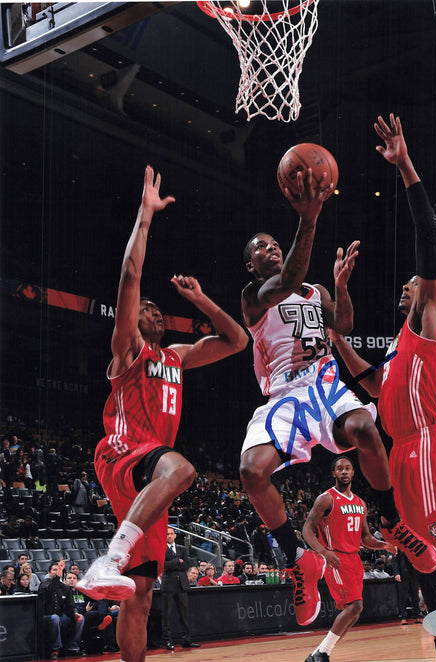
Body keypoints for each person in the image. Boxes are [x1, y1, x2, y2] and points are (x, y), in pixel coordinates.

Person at [239, 165, 436, 627]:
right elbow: (287, 280)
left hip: (324, 383)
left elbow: (343, 325)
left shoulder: (316, 291)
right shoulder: (254, 295)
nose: (271, 248)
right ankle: (298, 559)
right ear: (251, 266)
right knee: (251, 471)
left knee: (366, 428)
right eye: (261, 248)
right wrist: (308, 218)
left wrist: (342, 287)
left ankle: (390, 518)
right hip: (284, 394)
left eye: (274, 243)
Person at [329, 114, 436, 662]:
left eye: (413, 281)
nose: (407, 284)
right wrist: (336, 336)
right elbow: (374, 383)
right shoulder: (401, 345)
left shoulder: (430, 319)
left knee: (430, 551)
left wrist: (404, 167)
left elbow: (429, 238)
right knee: (416, 556)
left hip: (426, 445)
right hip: (401, 450)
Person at [77, 166, 247, 662]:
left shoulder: (177, 356)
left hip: (149, 477)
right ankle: (109, 558)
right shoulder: (128, 349)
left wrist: (201, 300)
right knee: (183, 469)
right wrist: (145, 216)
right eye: (143, 308)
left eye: (156, 308)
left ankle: (119, 582)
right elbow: (131, 275)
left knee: (140, 594)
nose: (150, 310)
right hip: (124, 453)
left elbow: (237, 340)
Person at [301, 455, 397, 662]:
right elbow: (306, 530)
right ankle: (321, 653)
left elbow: (365, 538)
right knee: (354, 606)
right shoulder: (326, 498)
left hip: (354, 560)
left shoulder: (360, 503)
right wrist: (324, 552)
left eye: (347, 468)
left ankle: (319, 653)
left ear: (353, 472)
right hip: (335, 558)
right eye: (340, 468)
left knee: (355, 611)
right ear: (333, 473)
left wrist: (384, 545)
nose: (344, 471)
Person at [160, 526, 199, 650]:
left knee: (184, 614)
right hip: (168, 585)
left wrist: (173, 564)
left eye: (171, 533)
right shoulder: (161, 549)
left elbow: (186, 565)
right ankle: (167, 641)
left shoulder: (182, 548)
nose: (169, 536)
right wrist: (177, 561)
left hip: (182, 585)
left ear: (175, 535)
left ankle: (186, 640)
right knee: (167, 615)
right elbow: (163, 566)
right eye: (167, 534)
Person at [39, 562, 85, 659]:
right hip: (45, 616)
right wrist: (57, 577)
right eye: (55, 570)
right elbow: (50, 590)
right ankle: (55, 649)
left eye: (59, 570)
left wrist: (75, 613)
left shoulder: (65, 588)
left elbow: (70, 605)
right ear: (49, 572)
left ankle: (73, 647)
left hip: (60, 615)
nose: (57, 572)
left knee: (80, 618)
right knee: (55, 618)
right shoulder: (44, 584)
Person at [391, 551, 422, 625]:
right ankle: (403, 617)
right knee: (402, 597)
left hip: (413, 573)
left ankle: (417, 616)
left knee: (415, 596)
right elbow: (394, 561)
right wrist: (396, 573)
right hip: (402, 574)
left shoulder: (412, 547)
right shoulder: (397, 547)